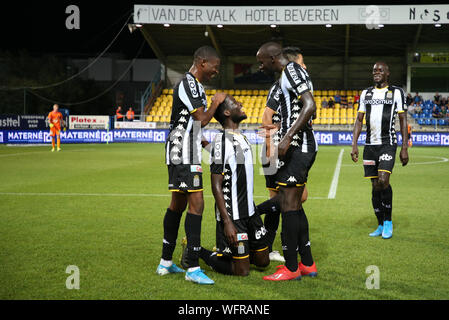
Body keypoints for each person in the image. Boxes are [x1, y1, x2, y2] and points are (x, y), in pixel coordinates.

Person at [155, 46, 226, 285]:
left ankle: (165, 262)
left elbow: (195, 126)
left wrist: (209, 148)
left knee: (178, 204)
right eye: (215, 67)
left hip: (185, 148)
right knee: (197, 203)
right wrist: (216, 102)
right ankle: (193, 267)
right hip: (183, 150)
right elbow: (202, 119)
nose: (216, 71)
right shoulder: (189, 84)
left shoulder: (194, 86)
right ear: (203, 62)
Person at [256, 42, 318, 281]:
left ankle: (291, 267)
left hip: (297, 146)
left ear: (273, 58)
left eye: (262, 61)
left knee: (289, 205)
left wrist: (286, 137)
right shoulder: (286, 76)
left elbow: (309, 105)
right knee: (295, 204)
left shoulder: (291, 70)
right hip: (297, 146)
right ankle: (307, 263)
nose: (260, 66)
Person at [190, 95, 270, 277]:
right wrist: (227, 222)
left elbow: (229, 158)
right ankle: (197, 251)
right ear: (227, 112)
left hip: (250, 212)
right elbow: (215, 183)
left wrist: (203, 142)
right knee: (242, 271)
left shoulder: (239, 137)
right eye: (235, 103)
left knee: (263, 262)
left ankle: (240, 252)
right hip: (233, 215)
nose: (241, 104)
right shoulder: (221, 141)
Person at [351, 62, 409, 240]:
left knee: (383, 181)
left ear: (387, 73)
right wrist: (354, 144)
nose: (376, 73)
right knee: (375, 186)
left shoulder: (396, 92)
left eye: (380, 70)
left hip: (387, 143)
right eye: (374, 70)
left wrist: (404, 147)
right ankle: (380, 223)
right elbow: (359, 120)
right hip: (369, 146)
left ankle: (388, 221)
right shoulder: (366, 93)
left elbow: (403, 119)